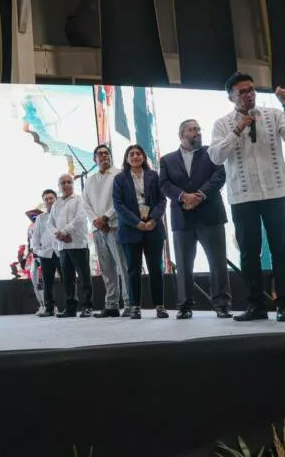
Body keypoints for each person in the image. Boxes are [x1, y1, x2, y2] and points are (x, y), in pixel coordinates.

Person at [209, 71, 285, 322]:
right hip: (243, 196)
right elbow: (215, 157)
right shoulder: (222, 124)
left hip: (276, 191)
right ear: (231, 97)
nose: (249, 95)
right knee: (249, 253)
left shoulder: (273, 114)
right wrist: (237, 129)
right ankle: (256, 306)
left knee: (280, 248)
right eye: (242, 92)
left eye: (251, 90)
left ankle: (284, 304)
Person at [160, 119, 232, 319]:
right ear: (181, 135)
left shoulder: (211, 152)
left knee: (217, 262)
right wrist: (183, 196)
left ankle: (222, 304)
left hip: (211, 216)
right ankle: (184, 305)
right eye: (193, 129)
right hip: (182, 219)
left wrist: (199, 195)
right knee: (183, 265)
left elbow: (219, 176)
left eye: (199, 129)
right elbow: (164, 184)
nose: (198, 132)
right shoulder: (167, 160)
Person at [113, 145, 169, 319]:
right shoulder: (119, 179)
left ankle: (160, 306)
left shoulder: (154, 176)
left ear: (144, 157)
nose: (135, 156)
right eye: (131, 154)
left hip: (153, 228)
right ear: (126, 159)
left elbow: (162, 200)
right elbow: (118, 205)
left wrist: (153, 219)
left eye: (138, 153)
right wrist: (136, 222)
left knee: (156, 269)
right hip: (130, 230)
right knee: (133, 270)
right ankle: (135, 306)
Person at [83, 144, 129, 318]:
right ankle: (111, 305)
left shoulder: (119, 174)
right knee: (107, 270)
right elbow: (85, 204)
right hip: (98, 230)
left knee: (123, 267)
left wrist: (106, 218)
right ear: (94, 159)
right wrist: (96, 221)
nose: (103, 156)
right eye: (100, 154)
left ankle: (129, 303)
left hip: (115, 226)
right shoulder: (90, 180)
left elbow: (121, 200)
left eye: (106, 153)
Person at [48, 174, 93, 317]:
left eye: (69, 182)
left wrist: (65, 231)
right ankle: (71, 308)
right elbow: (50, 223)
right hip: (62, 246)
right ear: (59, 186)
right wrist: (58, 233)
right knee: (67, 279)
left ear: (73, 184)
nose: (66, 184)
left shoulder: (79, 199)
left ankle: (87, 307)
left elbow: (80, 218)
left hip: (78, 243)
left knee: (84, 277)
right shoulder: (56, 203)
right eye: (63, 182)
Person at [31, 190, 63, 317]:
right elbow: (35, 237)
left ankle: (70, 307)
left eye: (51, 198)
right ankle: (49, 308)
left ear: (56, 199)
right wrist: (38, 251)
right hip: (45, 254)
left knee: (67, 280)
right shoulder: (40, 218)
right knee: (47, 283)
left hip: (61, 251)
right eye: (46, 199)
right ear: (44, 202)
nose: (49, 201)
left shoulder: (62, 215)